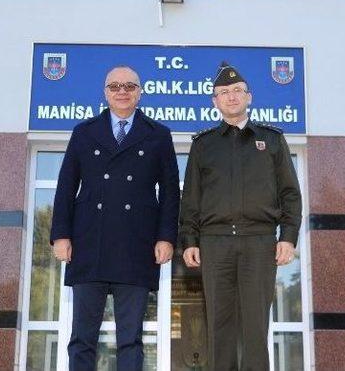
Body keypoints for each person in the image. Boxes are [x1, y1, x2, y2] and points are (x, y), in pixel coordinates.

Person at [50, 66, 180, 371]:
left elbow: (171, 192)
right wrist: (61, 234)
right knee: (82, 337)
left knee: (131, 338)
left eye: (130, 86)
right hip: (89, 243)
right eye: (115, 86)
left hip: (137, 245)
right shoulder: (84, 132)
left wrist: (166, 237)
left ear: (140, 92)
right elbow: (66, 186)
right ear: (105, 92)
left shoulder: (158, 135)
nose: (122, 91)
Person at [179, 61, 302, 371]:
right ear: (214, 102)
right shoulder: (204, 145)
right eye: (224, 92)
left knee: (255, 327)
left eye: (237, 91)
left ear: (249, 97)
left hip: (258, 243)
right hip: (215, 243)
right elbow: (191, 197)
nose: (231, 96)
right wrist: (190, 240)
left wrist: (287, 238)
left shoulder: (272, 141)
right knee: (219, 326)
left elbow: (290, 193)